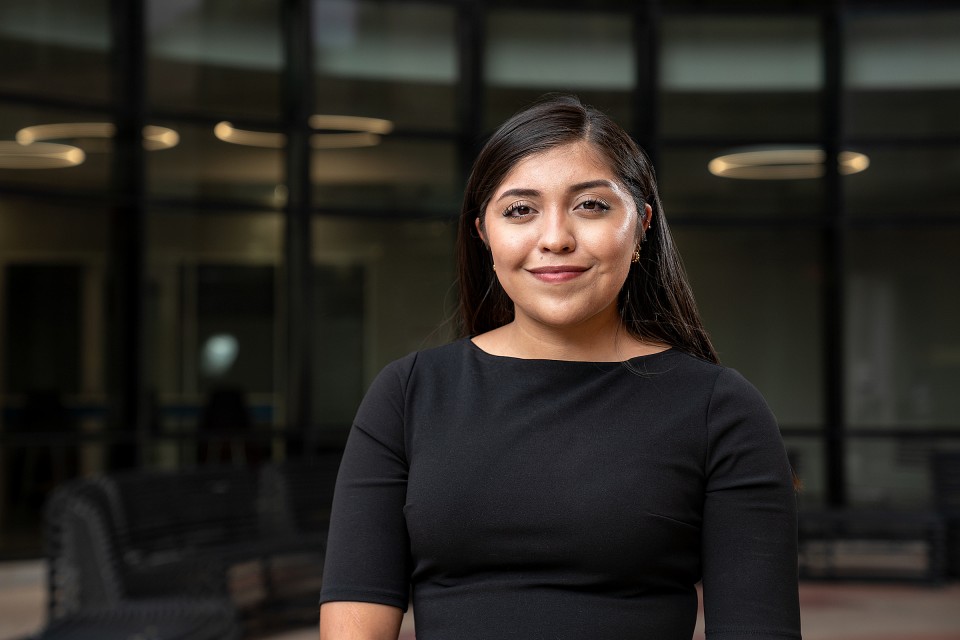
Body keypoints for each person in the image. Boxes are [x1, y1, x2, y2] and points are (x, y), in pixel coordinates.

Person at [319, 95, 801, 640]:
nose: (555, 238)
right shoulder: (409, 394)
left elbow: (758, 627)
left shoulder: (721, 409)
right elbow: (353, 620)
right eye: (520, 210)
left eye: (591, 206)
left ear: (641, 225)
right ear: (484, 235)